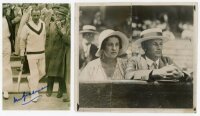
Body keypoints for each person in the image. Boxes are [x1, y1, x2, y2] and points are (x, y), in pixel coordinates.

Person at [125, 28, 191, 81]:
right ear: (144, 47)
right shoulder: (134, 61)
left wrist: (181, 75)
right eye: (155, 44)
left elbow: (188, 75)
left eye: (161, 44)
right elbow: (128, 75)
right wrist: (154, 73)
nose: (159, 47)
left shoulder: (167, 60)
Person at [20, 7, 46, 102]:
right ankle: (34, 92)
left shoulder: (43, 24)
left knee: (42, 72)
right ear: (31, 15)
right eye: (34, 15)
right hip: (31, 54)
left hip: (41, 52)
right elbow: (22, 40)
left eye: (38, 15)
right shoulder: (26, 26)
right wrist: (22, 53)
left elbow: (44, 38)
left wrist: (43, 49)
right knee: (35, 74)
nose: (36, 17)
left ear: (40, 15)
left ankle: (30, 79)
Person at [45, 5, 69, 99]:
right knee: (50, 72)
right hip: (51, 50)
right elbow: (47, 35)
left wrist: (60, 29)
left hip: (61, 51)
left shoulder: (67, 25)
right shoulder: (52, 24)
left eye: (60, 15)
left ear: (64, 16)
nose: (57, 16)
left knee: (60, 73)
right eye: (57, 14)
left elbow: (65, 38)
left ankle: (60, 90)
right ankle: (49, 90)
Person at [3, 4, 13, 99]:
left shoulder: (8, 18)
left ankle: (5, 89)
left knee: (6, 66)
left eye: (5, 8)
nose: (5, 10)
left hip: (6, 43)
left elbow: (11, 32)